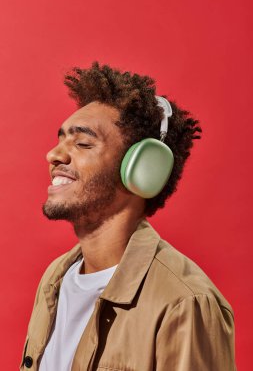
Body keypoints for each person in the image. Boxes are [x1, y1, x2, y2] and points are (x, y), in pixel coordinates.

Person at [20, 62, 236, 371]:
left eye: (82, 142)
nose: (53, 155)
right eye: (60, 140)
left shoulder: (184, 303)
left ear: (142, 170)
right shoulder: (56, 279)